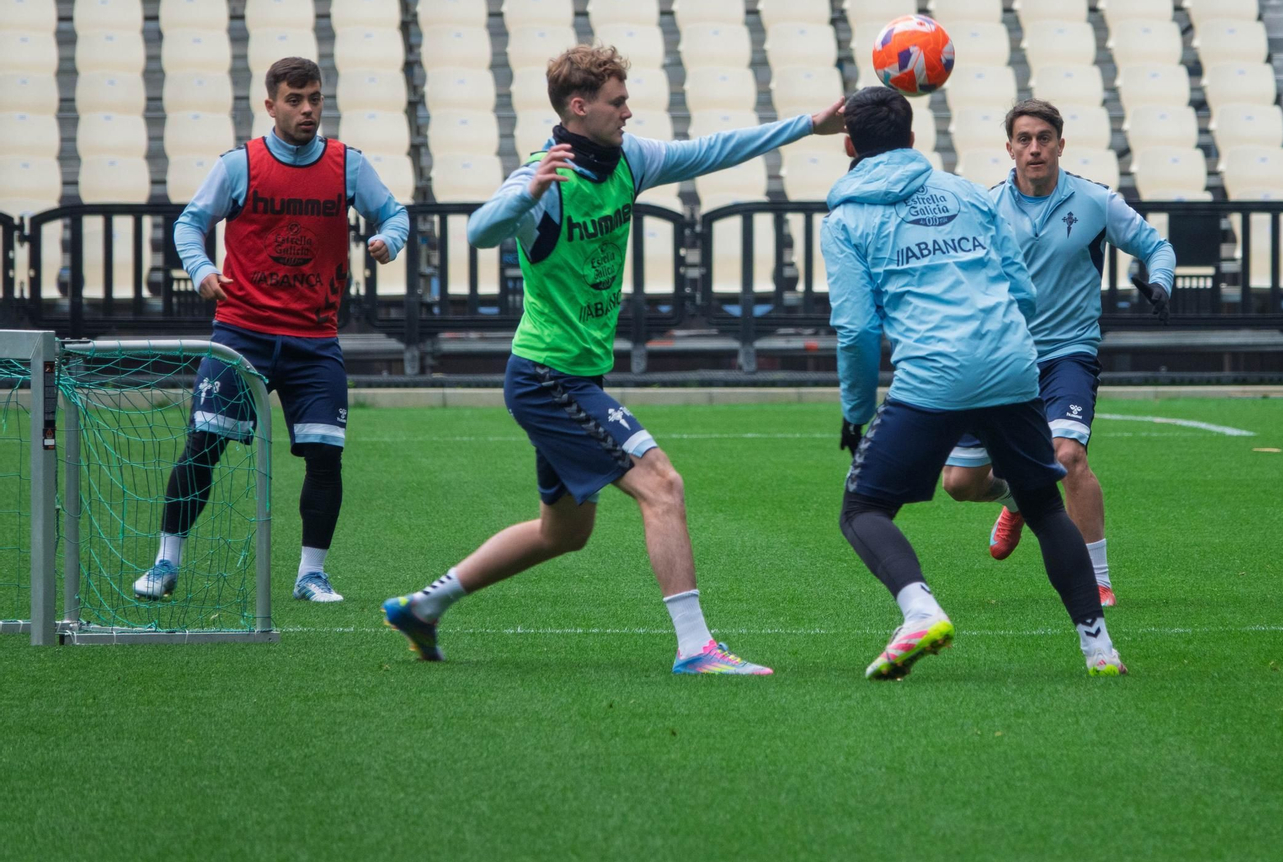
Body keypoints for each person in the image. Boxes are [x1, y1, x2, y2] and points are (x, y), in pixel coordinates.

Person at [382, 45, 845, 673]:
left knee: (563, 533)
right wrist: (527, 195)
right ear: (580, 107)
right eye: (617, 101)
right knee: (663, 486)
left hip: (568, 374)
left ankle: (424, 607)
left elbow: (712, 149)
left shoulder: (629, 159)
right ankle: (696, 648)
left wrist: (808, 126)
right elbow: (479, 231)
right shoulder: (543, 178)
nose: (629, 111)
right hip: (549, 377)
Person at [822, 86, 1124, 681]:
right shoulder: (963, 191)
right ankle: (1100, 648)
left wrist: (855, 411)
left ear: (850, 146)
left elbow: (856, 330)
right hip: (1012, 360)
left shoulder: (845, 219)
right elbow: (1022, 288)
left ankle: (919, 610)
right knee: (1041, 504)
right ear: (912, 140)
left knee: (863, 509)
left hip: (935, 371)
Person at [134, 56, 410, 603]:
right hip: (243, 334)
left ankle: (311, 574)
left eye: (315, 99)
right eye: (295, 100)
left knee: (325, 457)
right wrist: (202, 268)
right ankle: (166, 564)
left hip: (314, 339)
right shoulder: (240, 165)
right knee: (202, 445)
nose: (307, 109)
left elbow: (396, 215)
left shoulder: (348, 165)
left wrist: (389, 241)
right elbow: (190, 223)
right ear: (270, 105)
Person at [939, 100, 1175, 607]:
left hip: (1068, 353)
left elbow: (1158, 247)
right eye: (1024, 139)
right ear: (1010, 148)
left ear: (1060, 145)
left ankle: (1097, 578)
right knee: (959, 484)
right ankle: (1021, 496)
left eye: (1044, 137)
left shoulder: (1094, 202)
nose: (1034, 148)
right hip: (1000, 359)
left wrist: (1161, 283)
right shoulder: (986, 207)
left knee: (1067, 455)